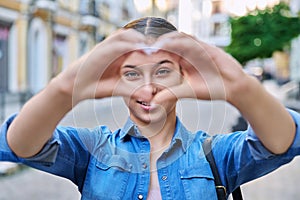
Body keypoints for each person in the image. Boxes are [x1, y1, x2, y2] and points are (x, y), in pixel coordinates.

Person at [1, 16, 300, 200]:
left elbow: (283, 142)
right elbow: (18, 144)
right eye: (131, 73)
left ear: (185, 75)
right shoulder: (92, 150)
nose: (148, 87)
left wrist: (240, 89)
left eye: (162, 71)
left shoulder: (215, 155)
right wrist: (66, 88)